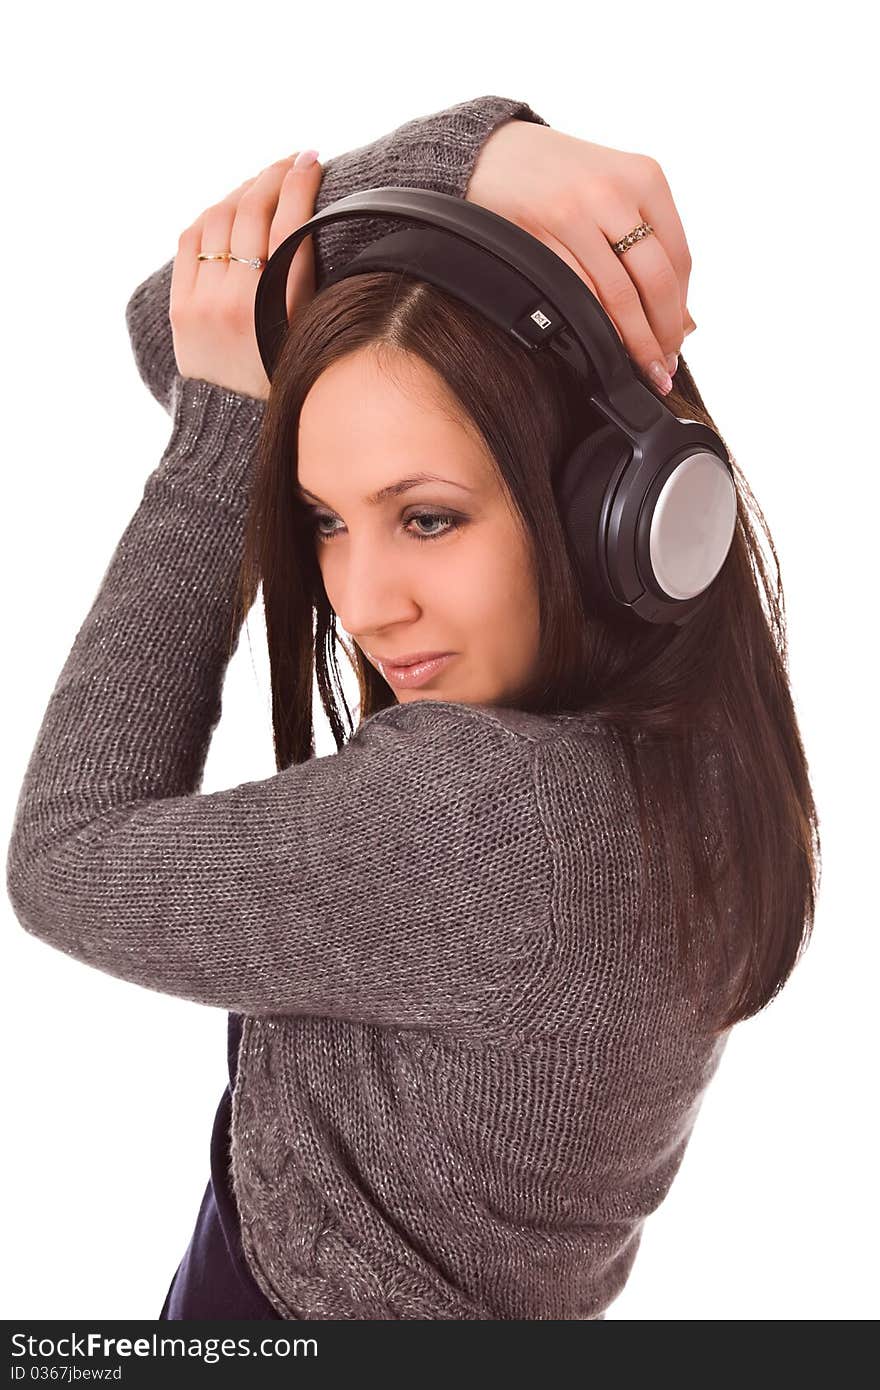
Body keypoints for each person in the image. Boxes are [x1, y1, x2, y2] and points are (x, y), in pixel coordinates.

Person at [5, 94, 820, 1321]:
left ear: (614, 516)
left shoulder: (491, 820)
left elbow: (62, 856)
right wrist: (480, 164)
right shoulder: (690, 756)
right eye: (325, 518)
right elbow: (180, 329)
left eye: (426, 516)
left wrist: (468, 159)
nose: (362, 600)